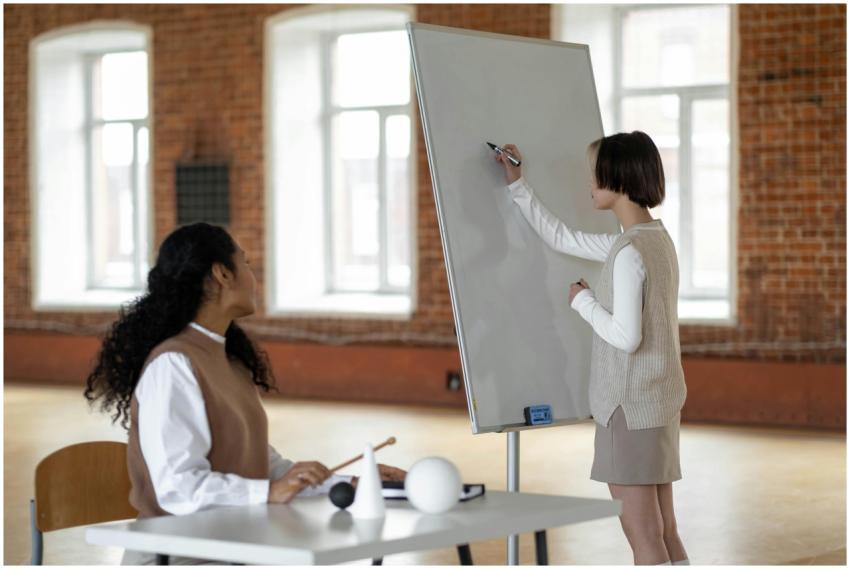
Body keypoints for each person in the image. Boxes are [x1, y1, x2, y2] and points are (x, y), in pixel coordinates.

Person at [84, 222, 406, 565]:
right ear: (222, 273)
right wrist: (268, 492)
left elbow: (262, 467)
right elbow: (178, 487)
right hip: (179, 556)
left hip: (234, 547)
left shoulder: (230, 360)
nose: (254, 277)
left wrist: (347, 482)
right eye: (247, 263)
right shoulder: (174, 364)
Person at [495, 133, 689, 566]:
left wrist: (582, 301)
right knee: (664, 530)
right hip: (658, 404)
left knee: (644, 537)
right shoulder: (652, 241)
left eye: (594, 174)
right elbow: (562, 238)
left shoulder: (628, 252)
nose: (588, 183)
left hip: (629, 408)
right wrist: (517, 183)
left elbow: (626, 336)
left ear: (618, 177)